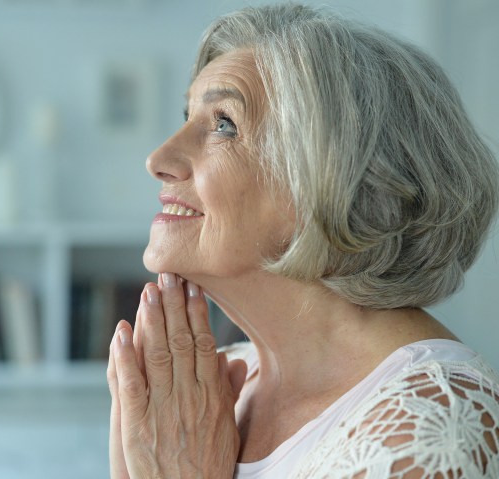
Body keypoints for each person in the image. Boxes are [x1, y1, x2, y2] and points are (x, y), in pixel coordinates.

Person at [105, 3, 499, 478]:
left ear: (340, 178)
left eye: (223, 123)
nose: (159, 158)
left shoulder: (429, 431)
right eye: (189, 116)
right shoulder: (208, 387)